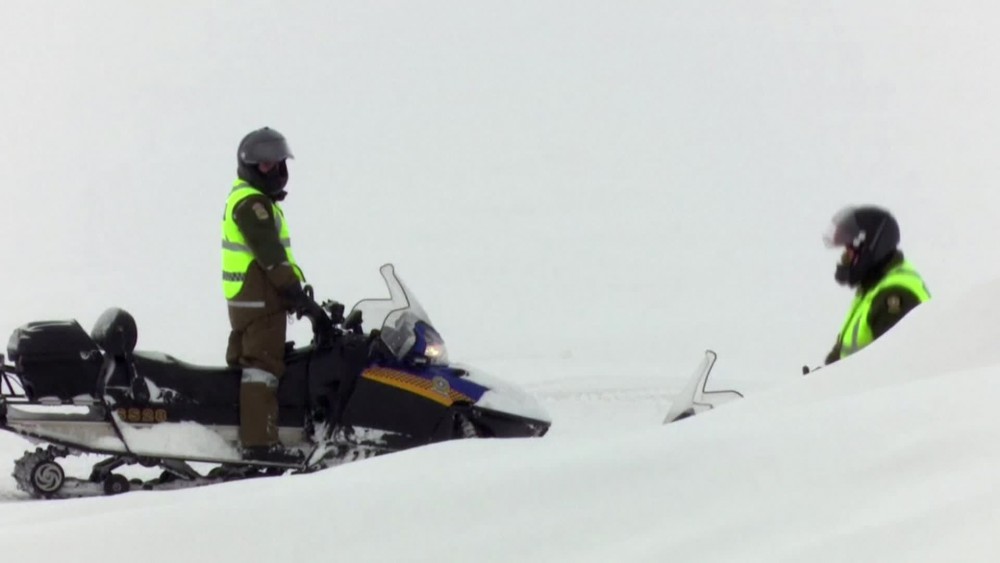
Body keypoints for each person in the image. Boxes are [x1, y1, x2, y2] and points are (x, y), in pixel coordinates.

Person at [221, 126, 325, 462]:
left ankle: (234, 430)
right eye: (267, 165)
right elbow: (271, 256)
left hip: (250, 300)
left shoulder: (249, 199)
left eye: (279, 164)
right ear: (251, 166)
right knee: (262, 368)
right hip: (261, 302)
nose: (276, 171)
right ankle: (260, 444)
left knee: (245, 366)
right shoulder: (252, 204)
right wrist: (295, 293)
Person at [822, 205, 931, 365]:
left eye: (849, 250)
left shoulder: (894, 294)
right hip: (852, 381)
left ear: (868, 248)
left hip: (867, 382)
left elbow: (889, 366)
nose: (845, 258)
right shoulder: (871, 290)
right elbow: (841, 356)